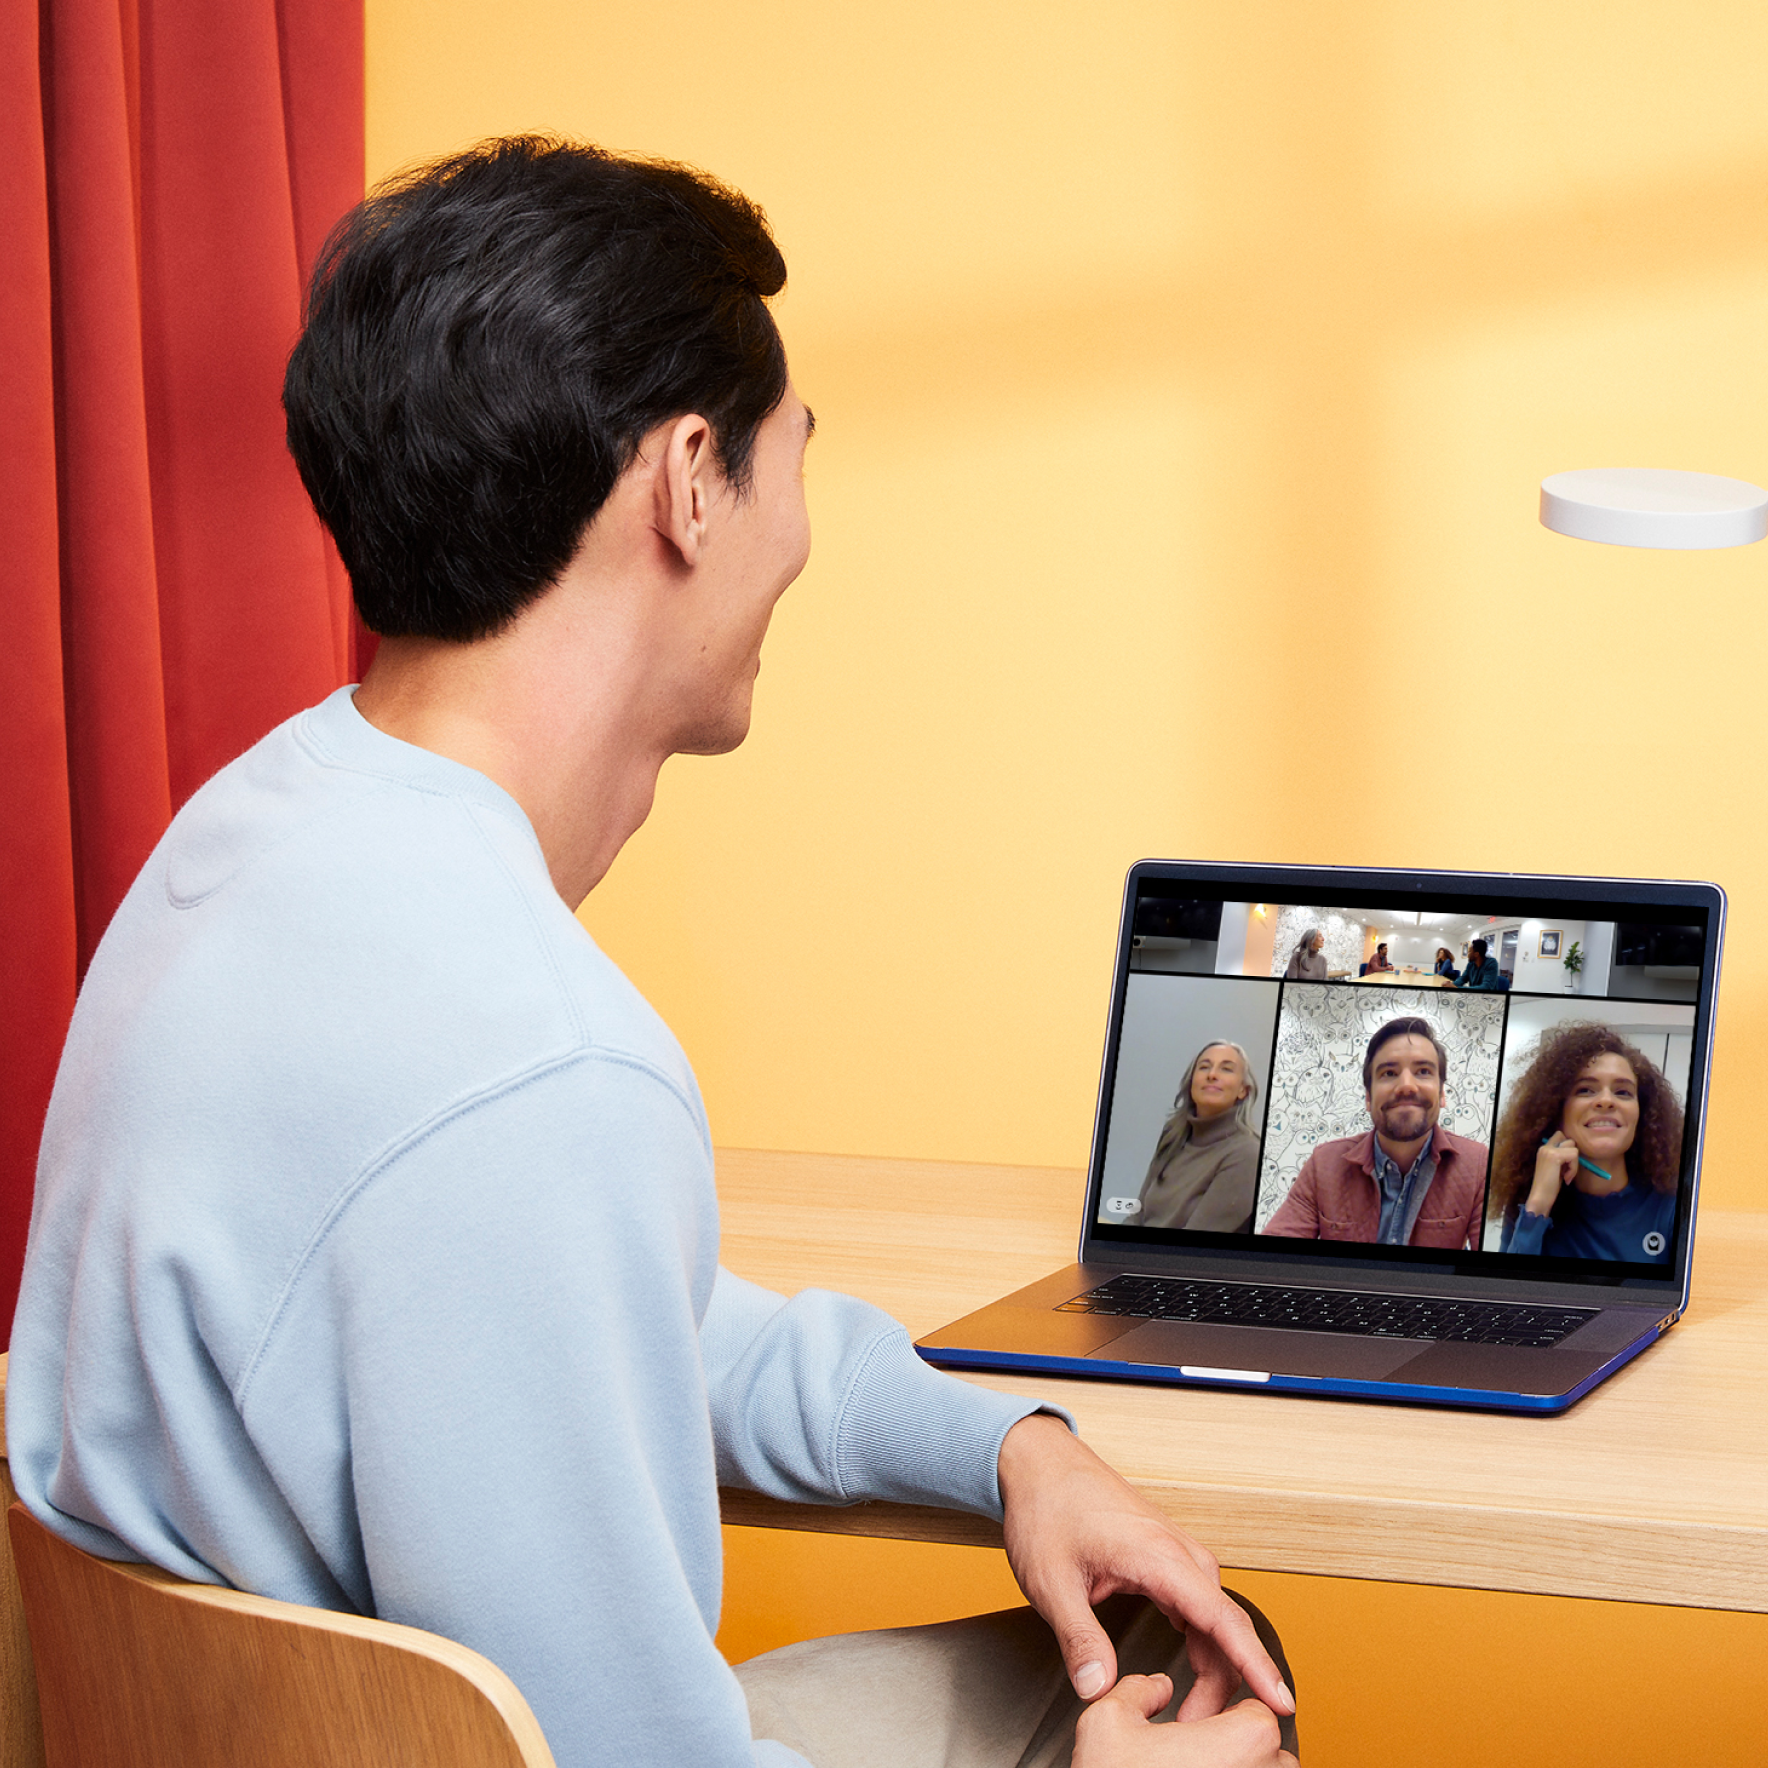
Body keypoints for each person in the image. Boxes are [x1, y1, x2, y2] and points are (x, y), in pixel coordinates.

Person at [6, 140, 1296, 1768]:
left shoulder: (248, 841)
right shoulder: (541, 1066)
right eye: (791, 456)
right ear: (690, 479)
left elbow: (614, 1321)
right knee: (1213, 1683)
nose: (802, 530)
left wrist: (1007, 1446)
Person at [1262, 1016, 1487, 1248]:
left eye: (1423, 1071)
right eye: (1389, 1073)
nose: (1407, 1086)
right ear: (1368, 1098)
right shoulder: (1323, 1164)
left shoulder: (1478, 1164)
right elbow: (1272, 1258)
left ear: (1442, 1094)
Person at [1490, 1023, 1682, 1262]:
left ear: (1642, 1114)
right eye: (1585, 1090)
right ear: (1555, 1111)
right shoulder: (1529, 1201)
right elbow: (1509, 1295)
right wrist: (1538, 1204)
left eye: (1623, 1092)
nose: (1605, 1101)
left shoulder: (1672, 1206)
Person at [1135, 1042, 1263, 1233]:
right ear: (1191, 1082)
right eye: (1204, 1067)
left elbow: (1194, 1244)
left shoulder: (1247, 1154)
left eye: (1226, 1069)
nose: (1212, 1075)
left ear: (1243, 1090)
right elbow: (1138, 1213)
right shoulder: (1173, 1134)